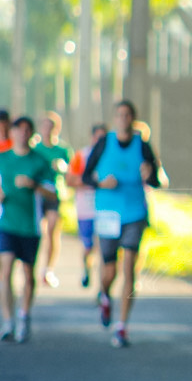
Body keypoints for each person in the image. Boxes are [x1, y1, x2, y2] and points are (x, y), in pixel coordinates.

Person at [81, 101, 162, 348]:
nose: (123, 119)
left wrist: (150, 175)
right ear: (115, 119)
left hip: (134, 213)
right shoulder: (104, 143)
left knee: (129, 268)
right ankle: (104, 296)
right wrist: (101, 183)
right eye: (119, 115)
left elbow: (157, 181)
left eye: (128, 115)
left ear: (133, 119)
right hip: (107, 213)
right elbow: (86, 176)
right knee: (109, 271)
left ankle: (122, 326)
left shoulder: (143, 146)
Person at [0, 117, 57, 344]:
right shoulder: (2, 159)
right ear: (12, 133)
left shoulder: (39, 162)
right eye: (18, 130)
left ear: (31, 134)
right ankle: (7, 321)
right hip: (6, 223)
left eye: (27, 130)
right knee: (5, 271)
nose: (22, 134)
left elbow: (53, 194)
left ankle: (24, 315)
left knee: (27, 274)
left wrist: (34, 186)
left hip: (30, 226)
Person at [33, 111, 73, 288]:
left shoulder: (63, 150)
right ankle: (30, 266)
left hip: (54, 193)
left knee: (52, 229)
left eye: (51, 127)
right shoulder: (35, 149)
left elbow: (72, 172)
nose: (48, 130)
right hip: (37, 192)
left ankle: (48, 269)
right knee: (37, 232)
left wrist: (62, 168)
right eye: (45, 126)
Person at [65, 123, 108, 288]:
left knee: (103, 249)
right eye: (97, 137)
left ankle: (102, 288)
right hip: (85, 208)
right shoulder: (82, 155)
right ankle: (86, 269)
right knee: (88, 247)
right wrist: (91, 182)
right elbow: (70, 180)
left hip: (104, 209)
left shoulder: (109, 156)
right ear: (92, 137)